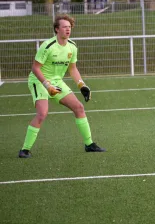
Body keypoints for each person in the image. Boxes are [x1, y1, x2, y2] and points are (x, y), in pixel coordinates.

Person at [19, 15, 105, 158]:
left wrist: (81, 85)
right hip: (39, 81)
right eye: (64, 27)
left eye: (69, 27)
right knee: (42, 113)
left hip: (56, 81)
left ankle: (89, 144)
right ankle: (24, 150)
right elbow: (35, 68)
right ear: (57, 29)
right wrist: (47, 85)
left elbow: (72, 69)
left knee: (79, 107)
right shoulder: (47, 46)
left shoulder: (72, 46)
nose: (68, 29)